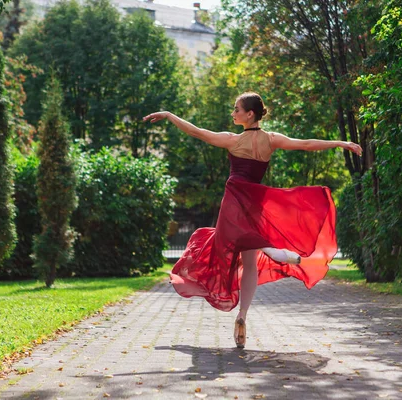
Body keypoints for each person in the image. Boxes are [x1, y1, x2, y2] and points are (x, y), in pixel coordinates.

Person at [143, 92, 362, 348]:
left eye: (237, 109)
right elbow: (306, 144)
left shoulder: (233, 141)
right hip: (254, 203)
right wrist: (340, 143)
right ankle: (244, 312)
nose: (233, 113)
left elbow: (197, 132)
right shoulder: (271, 140)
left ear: (250, 114)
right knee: (249, 260)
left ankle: (273, 253)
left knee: (216, 245)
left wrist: (169, 115)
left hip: (235, 203)